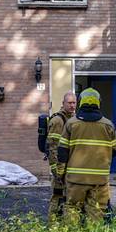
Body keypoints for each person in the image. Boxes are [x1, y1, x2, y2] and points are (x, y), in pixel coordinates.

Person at [56, 88, 116, 222]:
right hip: (99, 180)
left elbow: (62, 151)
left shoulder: (71, 124)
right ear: (98, 103)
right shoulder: (108, 125)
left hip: (75, 179)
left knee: (72, 209)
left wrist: (60, 173)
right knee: (96, 212)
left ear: (80, 103)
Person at [45, 91, 77, 221]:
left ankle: (64, 224)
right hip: (60, 167)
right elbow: (53, 147)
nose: (72, 105)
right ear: (63, 104)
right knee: (57, 196)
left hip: (69, 166)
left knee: (68, 197)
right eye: (69, 103)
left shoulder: (73, 119)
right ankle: (53, 225)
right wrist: (56, 170)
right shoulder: (58, 120)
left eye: (74, 103)